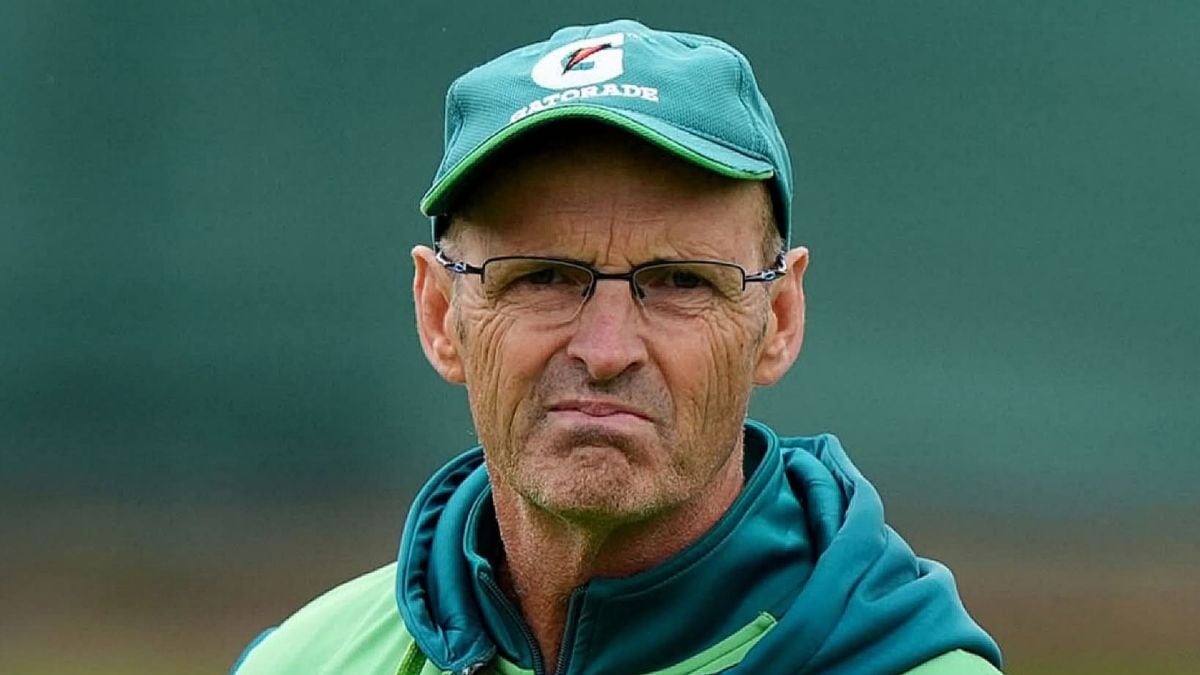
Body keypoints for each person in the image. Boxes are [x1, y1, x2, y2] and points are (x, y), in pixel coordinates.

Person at [233, 19, 1003, 675]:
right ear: (441, 313)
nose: (606, 350)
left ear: (778, 318)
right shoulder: (306, 661)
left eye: (679, 281)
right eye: (541, 276)